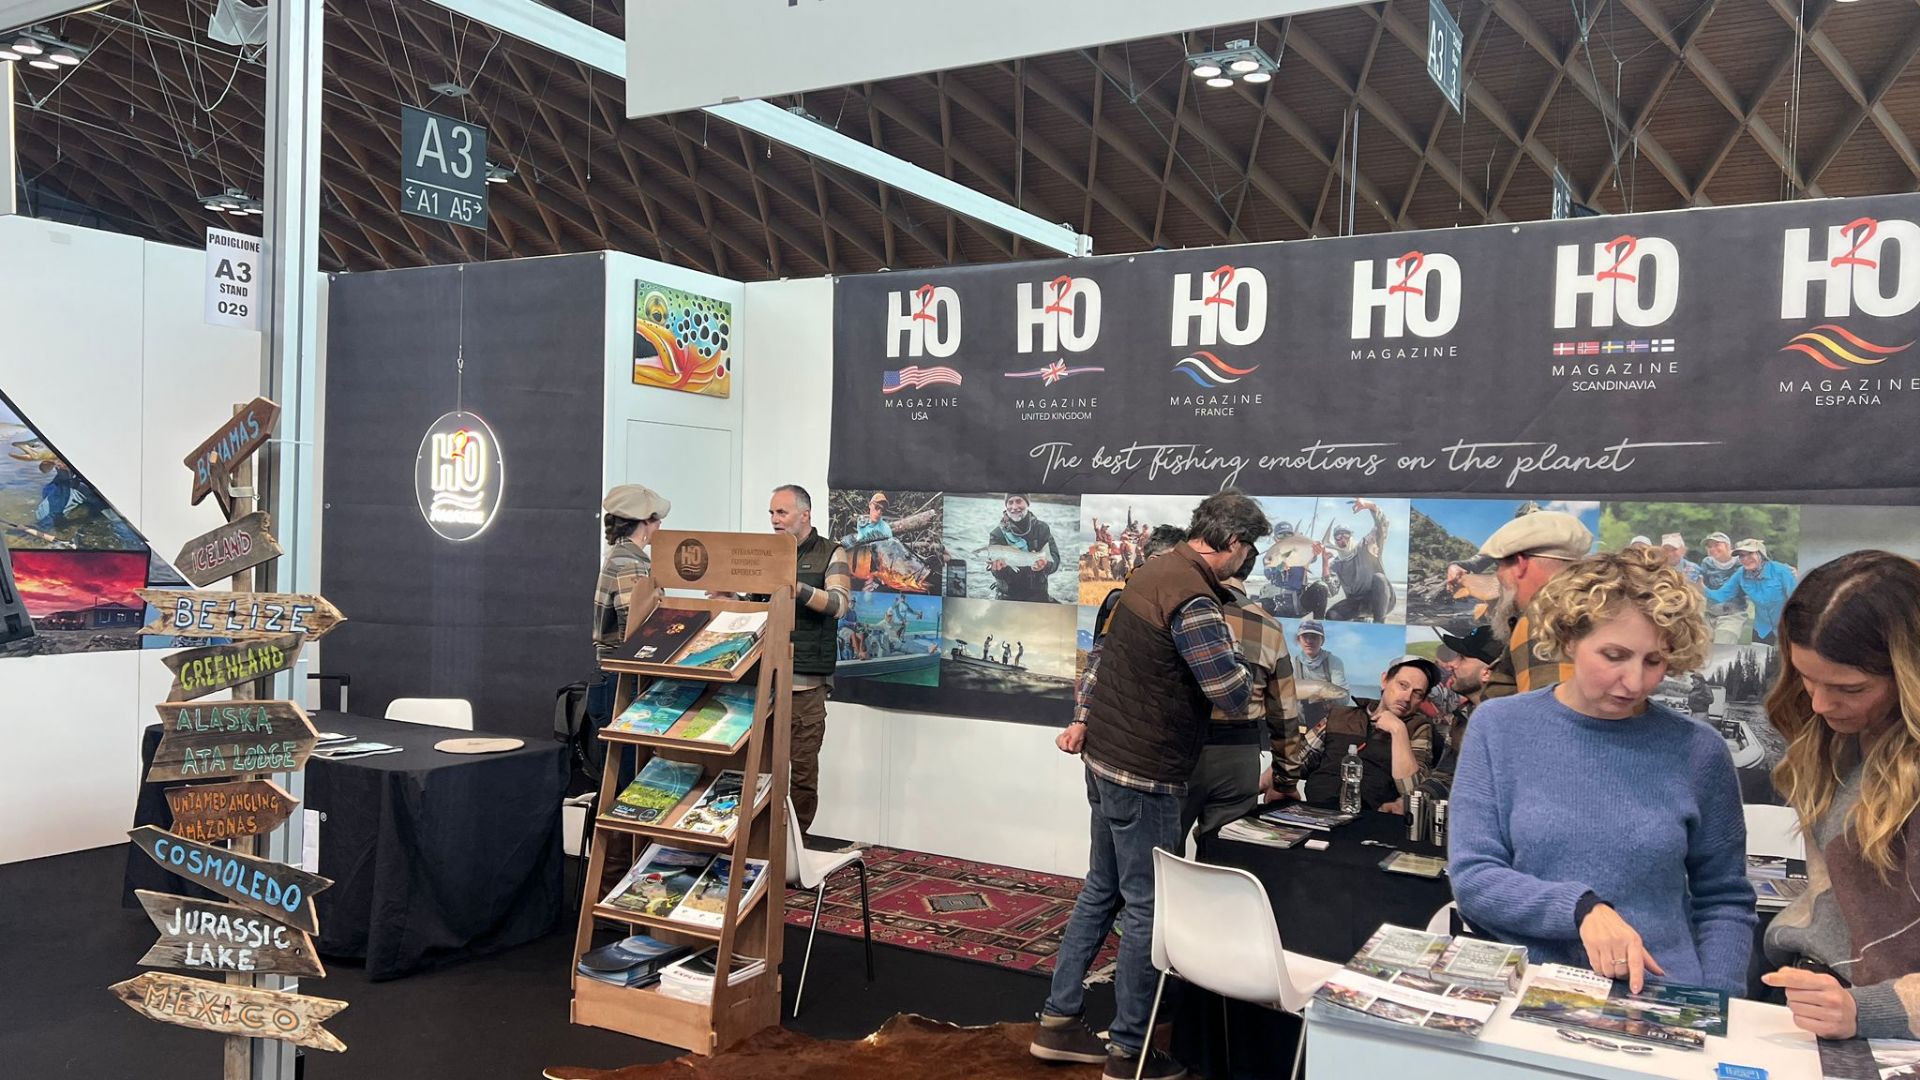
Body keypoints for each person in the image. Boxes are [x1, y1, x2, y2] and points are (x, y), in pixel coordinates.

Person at [1033, 491, 1270, 1080]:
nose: (1248, 559)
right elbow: (1230, 693)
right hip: (1147, 771)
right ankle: (1129, 1051)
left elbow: (1103, 660)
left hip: (1107, 761)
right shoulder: (1194, 599)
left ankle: (1057, 1022)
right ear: (1233, 543)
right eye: (1249, 548)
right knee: (1147, 907)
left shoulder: (1150, 573)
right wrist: (1240, 656)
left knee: (1101, 889)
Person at [1449, 547, 1755, 996]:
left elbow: (1724, 898)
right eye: (1614, 655)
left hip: (1661, 998)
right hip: (1530, 993)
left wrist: (1718, 1003)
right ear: (1569, 637)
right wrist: (1580, 909)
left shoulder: (1698, 750)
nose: (1634, 681)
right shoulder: (1499, 728)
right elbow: (1474, 878)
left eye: (1654, 662)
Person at [1759, 551, 1920, 1039]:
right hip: (1810, 998)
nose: (1819, 703)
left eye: (1850, 688)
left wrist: (1869, 1010)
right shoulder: (1837, 740)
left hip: (1879, 1027)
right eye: (1806, 679)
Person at [1184, 545, 1301, 838]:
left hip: (1180, 749)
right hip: (1239, 755)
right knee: (1226, 851)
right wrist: (1285, 780)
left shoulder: (1182, 611)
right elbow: (1285, 713)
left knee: (1159, 851)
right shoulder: (1270, 626)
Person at [763, 485, 851, 835]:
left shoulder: (832, 552)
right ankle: (763, 843)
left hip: (806, 684)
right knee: (761, 767)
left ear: (805, 515)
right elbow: (757, 603)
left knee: (801, 771)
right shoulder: (768, 553)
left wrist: (797, 587)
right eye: (771, 513)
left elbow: (839, 604)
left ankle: (796, 845)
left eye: (781, 513)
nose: (774, 520)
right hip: (765, 680)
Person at [1446, 510, 1592, 700]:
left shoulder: (1544, 620)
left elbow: (1547, 711)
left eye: (1499, 567)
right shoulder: (1586, 609)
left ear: (1520, 564)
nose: (1498, 576)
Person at [1279, 656, 1439, 814]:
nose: (1407, 698)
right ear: (1384, 680)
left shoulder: (1418, 728)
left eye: (1417, 694)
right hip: (1315, 810)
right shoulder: (1339, 716)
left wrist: (1398, 731)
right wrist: (1276, 780)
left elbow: (1414, 793)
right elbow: (1297, 761)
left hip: (1372, 818)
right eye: (1403, 685)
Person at [589, 484, 671, 724]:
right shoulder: (631, 563)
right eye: (656, 519)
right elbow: (636, 627)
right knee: (624, 749)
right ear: (643, 522)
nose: (660, 525)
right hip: (624, 680)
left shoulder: (619, 556)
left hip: (612, 675)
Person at [1416, 626, 1502, 802]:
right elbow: (1446, 775)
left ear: (1487, 673)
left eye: (1462, 658)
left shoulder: (1512, 722)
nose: (1452, 665)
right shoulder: (1462, 716)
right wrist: (1418, 797)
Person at [1092, 525, 1188, 644]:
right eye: (1178, 561)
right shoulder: (1138, 602)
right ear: (1154, 561)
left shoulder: (1168, 600)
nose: (1185, 569)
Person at [1703, 538, 1798, 646]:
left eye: (1750, 554)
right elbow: (1721, 596)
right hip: (1762, 629)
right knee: (1758, 656)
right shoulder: (1741, 574)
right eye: (1741, 556)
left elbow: (1796, 601)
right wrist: (1701, 588)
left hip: (1787, 627)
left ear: (1761, 555)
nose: (1745, 559)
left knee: (1786, 656)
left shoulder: (1782, 571)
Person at [1322, 498, 1395, 622]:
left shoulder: (1366, 546)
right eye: (1338, 537)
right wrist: (1325, 565)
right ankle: (1358, 621)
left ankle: (1379, 623)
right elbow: (1331, 591)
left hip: (1384, 600)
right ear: (1335, 540)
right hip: (1358, 604)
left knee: (1379, 578)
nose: (1342, 539)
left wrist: (1370, 506)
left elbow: (1383, 526)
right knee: (1331, 615)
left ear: (1351, 536)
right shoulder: (1336, 564)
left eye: (1346, 535)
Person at [987, 494, 1062, 602]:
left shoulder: (1042, 528)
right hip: (1007, 597)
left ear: (1027, 503)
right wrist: (998, 569)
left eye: (1018, 501)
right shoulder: (997, 533)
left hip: (1038, 596)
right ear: (1006, 506)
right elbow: (995, 572)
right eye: (1010, 502)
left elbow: (1055, 559)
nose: (1014, 507)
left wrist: (1045, 565)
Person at [1258, 521, 1330, 621]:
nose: (1285, 538)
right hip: (1278, 605)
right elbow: (1268, 573)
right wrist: (1279, 568)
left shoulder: (1298, 551)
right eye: (1281, 535)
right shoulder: (1271, 554)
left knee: (1320, 588)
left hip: (1299, 604)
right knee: (1258, 605)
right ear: (1275, 538)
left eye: (1288, 534)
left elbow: (1310, 557)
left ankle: (1319, 623)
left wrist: (1315, 551)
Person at [1293, 619, 1349, 727]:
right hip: (1299, 720)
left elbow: (1344, 698)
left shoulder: (1334, 662)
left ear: (1322, 640)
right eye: (1305, 636)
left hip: (1326, 722)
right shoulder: (1291, 662)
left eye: (1314, 637)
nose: (1309, 641)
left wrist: (1323, 698)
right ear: (1298, 640)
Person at [1699, 532, 1748, 644]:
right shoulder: (1707, 563)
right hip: (1710, 612)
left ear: (1728, 546)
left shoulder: (1741, 562)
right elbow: (1700, 586)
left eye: (1717, 545)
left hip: (1733, 613)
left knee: (1724, 637)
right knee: (1698, 639)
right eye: (1709, 546)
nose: (1712, 549)